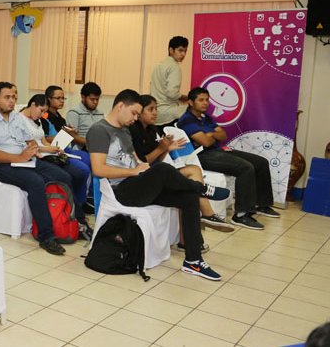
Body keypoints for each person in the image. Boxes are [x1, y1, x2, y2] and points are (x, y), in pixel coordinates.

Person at [87, 89, 223, 281]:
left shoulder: (124, 130)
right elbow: (98, 169)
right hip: (120, 191)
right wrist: (134, 172)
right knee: (163, 171)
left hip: (136, 184)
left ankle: (193, 260)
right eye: (134, 112)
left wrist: (145, 165)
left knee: (188, 198)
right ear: (120, 106)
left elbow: (136, 161)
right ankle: (202, 189)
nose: (136, 118)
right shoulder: (99, 130)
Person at [0, 82, 82, 254]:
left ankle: (77, 222)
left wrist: (37, 150)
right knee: (36, 181)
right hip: (3, 165)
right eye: (7, 97)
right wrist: (20, 157)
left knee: (63, 175)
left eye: (14, 97)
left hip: (25, 159)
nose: (11, 101)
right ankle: (46, 236)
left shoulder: (16, 118)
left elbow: (30, 141)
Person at [129, 94, 233, 234]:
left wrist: (166, 149)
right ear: (139, 112)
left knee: (194, 170)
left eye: (156, 108)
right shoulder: (133, 130)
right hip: (146, 178)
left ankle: (206, 213)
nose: (155, 112)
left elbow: (157, 160)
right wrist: (162, 148)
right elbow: (143, 162)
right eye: (150, 109)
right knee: (189, 183)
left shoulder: (152, 130)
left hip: (157, 172)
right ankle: (204, 195)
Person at [178, 87, 279, 230]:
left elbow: (223, 134)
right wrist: (213, 134)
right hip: (202, 156)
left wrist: (209, 135)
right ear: (190, 102)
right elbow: (205, 142)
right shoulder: (186, 120)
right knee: (245, 168)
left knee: (261, 162)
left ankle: (262, 204)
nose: (205, 103)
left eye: (207, 100)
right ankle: (241, 215)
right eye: (201, 100)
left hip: (217, 151)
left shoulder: (206, 118)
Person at [19, 93, 93, 239]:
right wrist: (49, 149)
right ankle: (78, 218)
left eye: (44, 112)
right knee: (65, 177)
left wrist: (54, 148)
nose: (42, 114)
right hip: (36, 157)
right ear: (32, 105)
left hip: (47, 154)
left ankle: (75, 210)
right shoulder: (20, 120)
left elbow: (43, 141)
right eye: (41, 110)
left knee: (78, 173)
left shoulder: (37, 120)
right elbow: (31, 146)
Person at [150, 36, 190, 127]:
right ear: (171, 50)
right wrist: (184, 97)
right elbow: (172, 93)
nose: (183, 54)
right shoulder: (174, 67)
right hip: (169, 115)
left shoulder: (159, 65)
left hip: (156, 113)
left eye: (185, 51)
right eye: (180, 50)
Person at [65, 82, 104, 149]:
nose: (95, 102)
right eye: (92, 99)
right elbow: (72, 136)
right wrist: (92, 144)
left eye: (97, 99)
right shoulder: (74, 113)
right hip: (81, 149)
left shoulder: (100, 114)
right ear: (83, 97)